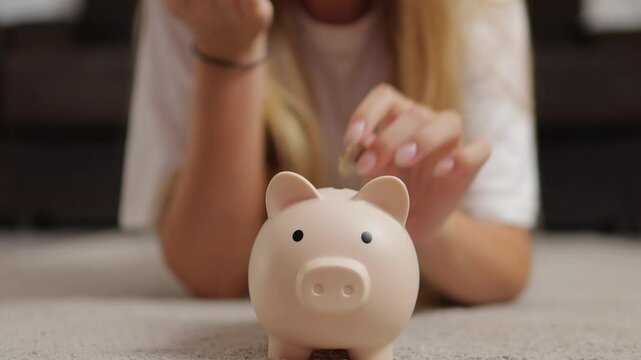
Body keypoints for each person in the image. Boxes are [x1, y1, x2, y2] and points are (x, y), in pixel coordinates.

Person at [120, 0, 538, 304]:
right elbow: (211, 273)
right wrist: (228, 50)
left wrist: (423, 229)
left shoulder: (479, 9)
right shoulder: (195, 7)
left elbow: (506, 262)